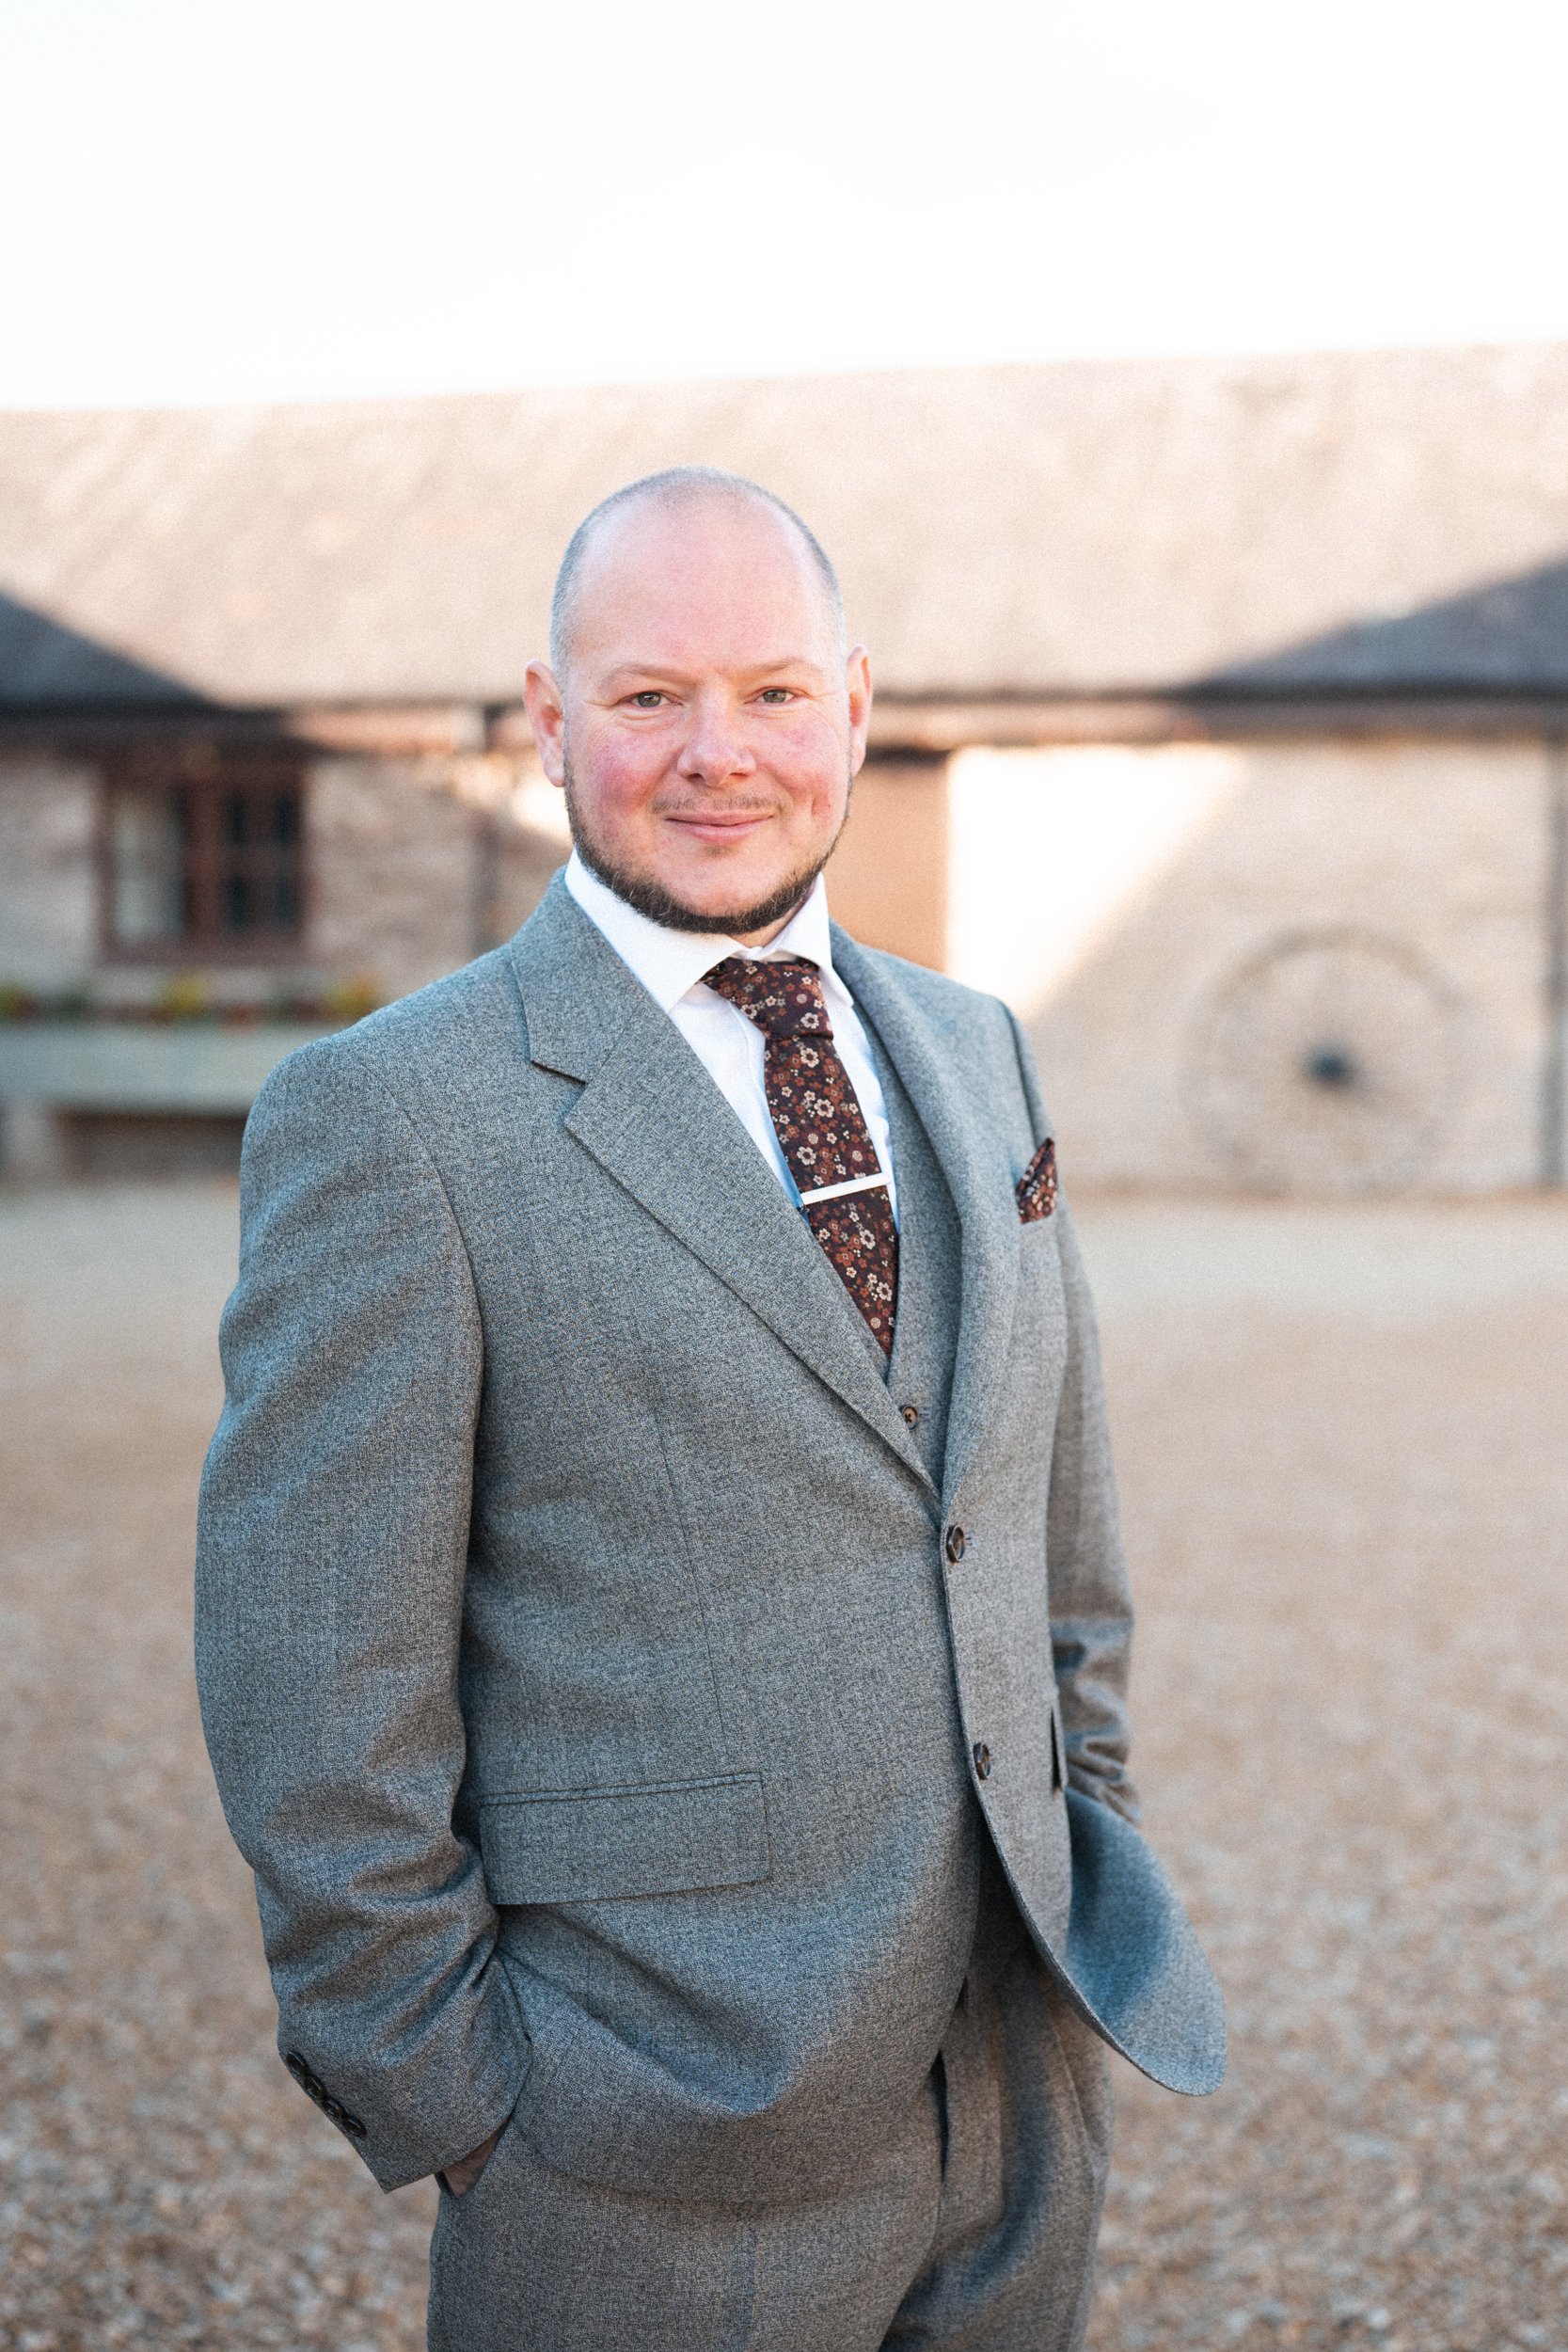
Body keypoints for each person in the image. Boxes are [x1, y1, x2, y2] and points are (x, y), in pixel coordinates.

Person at [195, 467, 1223, 2352]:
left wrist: (1087, 1834)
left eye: (771, 690)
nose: (716, 751)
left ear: (855, 703)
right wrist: (463, 2099)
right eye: (649, 694)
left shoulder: (977, 1047)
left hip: (1019, 2088)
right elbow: (312, 1672)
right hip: (640, 2155)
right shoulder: (393, 1117)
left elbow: (1046, 1531)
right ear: (550, 718)